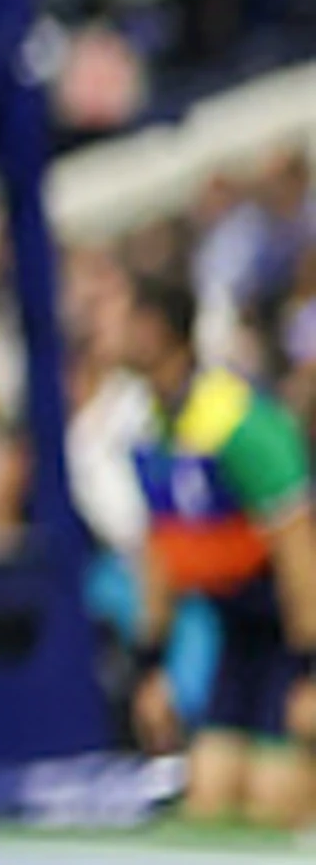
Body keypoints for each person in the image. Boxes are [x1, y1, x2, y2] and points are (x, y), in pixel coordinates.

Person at [117, 265, 316, 827]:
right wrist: (151, 669)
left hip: (290, 636)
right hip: (240, 637)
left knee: (274, 802)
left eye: (116, 315)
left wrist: (310, 675)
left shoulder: (243, 424)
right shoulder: (150, 430)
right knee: (208, 796)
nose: (94, 327)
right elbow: (161, 556)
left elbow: (301, 553)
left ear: (153, 329)